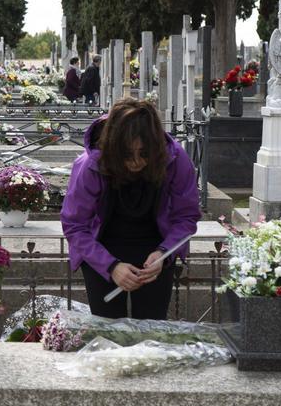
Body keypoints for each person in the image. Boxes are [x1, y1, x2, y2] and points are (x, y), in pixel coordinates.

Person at [61, 98, 201, 319]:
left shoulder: (175, 159)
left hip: (155, 252)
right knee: (107, 332)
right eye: (127, 154)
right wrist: (111, 267)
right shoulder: (90, 165)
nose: (136, 162)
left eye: (144, 153)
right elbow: (75, 225)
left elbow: (186, 216)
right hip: (101, 252)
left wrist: (164, 253)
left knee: (151, 331)